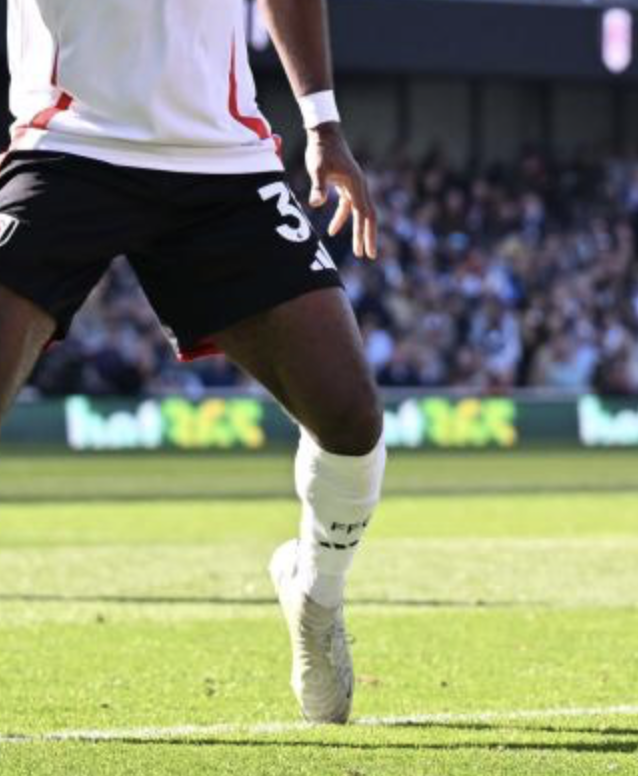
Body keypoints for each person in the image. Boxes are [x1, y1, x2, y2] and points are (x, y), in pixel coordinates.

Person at [0, 0, 385, 724]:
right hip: (70, 146)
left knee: (350, 414)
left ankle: (316, 593)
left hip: (221, 163)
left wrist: (323, 123)